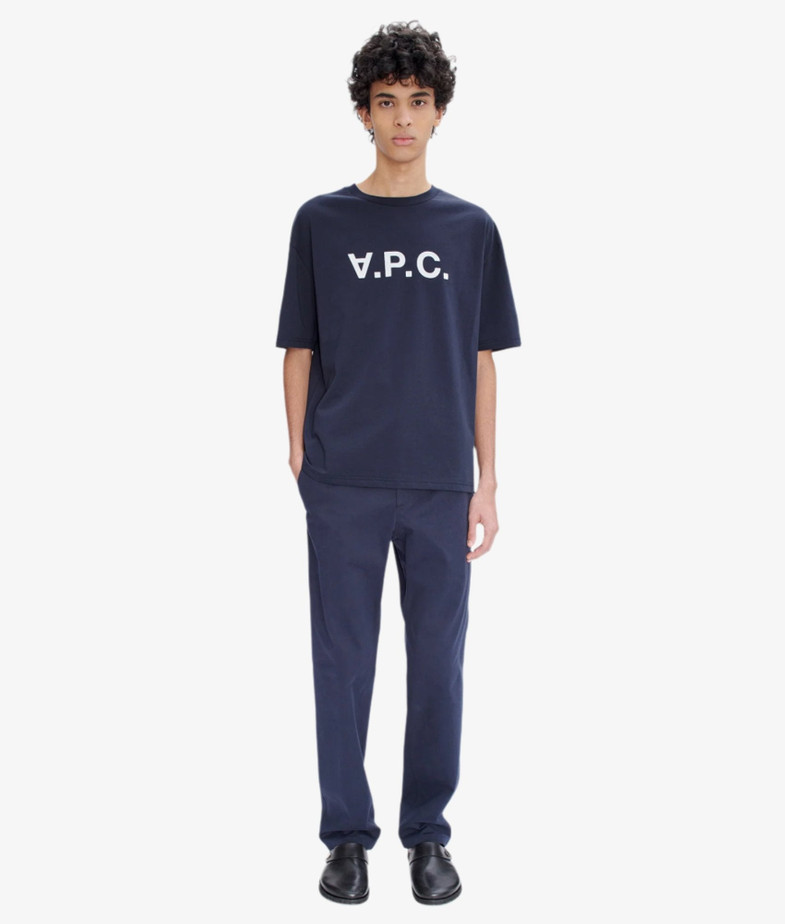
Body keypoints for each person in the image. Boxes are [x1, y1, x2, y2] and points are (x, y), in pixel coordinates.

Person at [275, 20, 521, 905]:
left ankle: (428, 836)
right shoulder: (321, 222)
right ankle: (346, 838)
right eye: (387, 103)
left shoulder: (471, 229)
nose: (403, 119)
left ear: (440, 111)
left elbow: (482, 360)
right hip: (343, 480)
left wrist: (487, 480)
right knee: (341, 664)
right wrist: (301, 457)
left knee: (437, 668)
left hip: (440, 483)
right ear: (364, 114)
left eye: (418, 102)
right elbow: (298, 347)